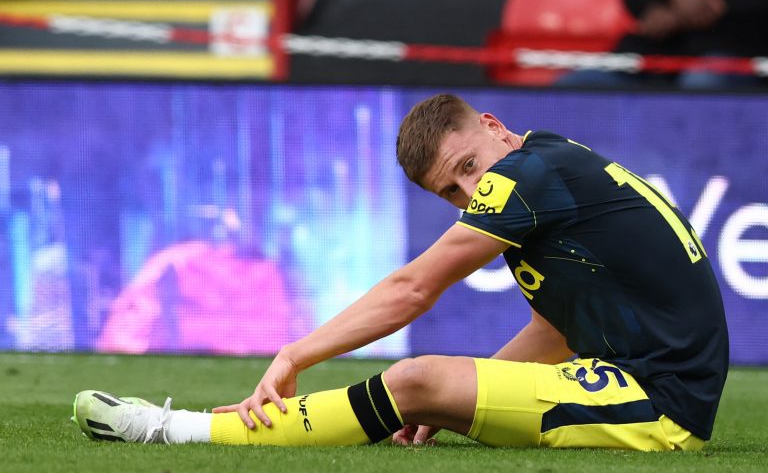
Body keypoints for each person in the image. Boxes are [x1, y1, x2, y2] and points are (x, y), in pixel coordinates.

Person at [73, 94, 729, 450]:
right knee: (424, 388)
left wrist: (294, 353)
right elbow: (553, 331)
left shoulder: (527, 176)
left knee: (412, 379)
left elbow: (413, 288)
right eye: (450, 191)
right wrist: (457, 399)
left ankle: (174, 430)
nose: (469, 194)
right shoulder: (551, 167)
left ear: (495, 127)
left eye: (468, 167)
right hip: (644, 383)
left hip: (658, 404)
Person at [557, 0, 768, 89]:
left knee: (701, 84)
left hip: (731, 57)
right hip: (649, 56)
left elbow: (757, 0)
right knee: (576, 85)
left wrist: (698, 9)